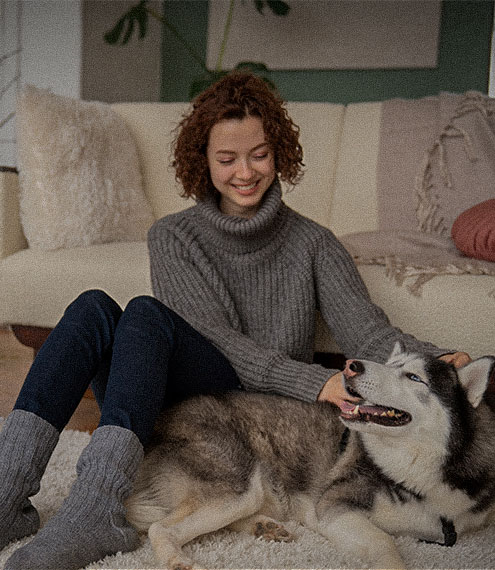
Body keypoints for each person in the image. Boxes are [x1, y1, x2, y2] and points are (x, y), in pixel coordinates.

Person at [0, 72, 470, 570]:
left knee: (141, 313)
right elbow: (215, 338)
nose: (244, 172)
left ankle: (97, 508)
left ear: (280, 154)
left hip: (246, 418)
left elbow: (369, 333)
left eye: (259, 154)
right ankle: (8, 496)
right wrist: (318, 380)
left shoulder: (314, 242)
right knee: (94, 307)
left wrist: (437, 359)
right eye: (226, 159)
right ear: (202, 162)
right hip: (169, 399)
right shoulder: (173, 236)